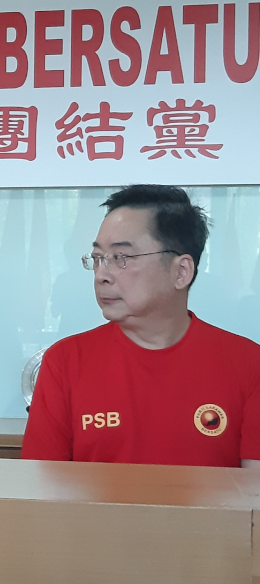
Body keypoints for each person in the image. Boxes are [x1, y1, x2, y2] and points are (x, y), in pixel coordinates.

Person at [22, 185, 260, 467]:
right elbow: (40, 492)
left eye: (121, 258)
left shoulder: (248, 364)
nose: (101, 275)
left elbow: (252, 496)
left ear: (181, 271)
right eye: (98, 258)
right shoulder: (64, 362)